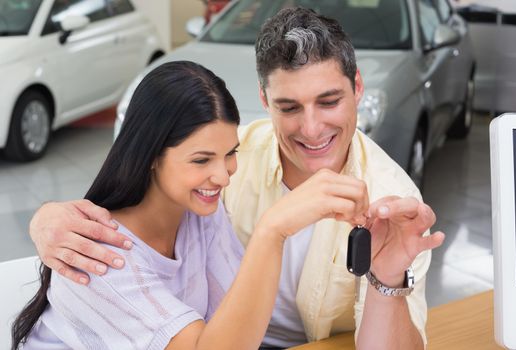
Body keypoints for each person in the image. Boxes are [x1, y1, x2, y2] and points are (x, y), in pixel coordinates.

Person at [27, 8, 445, 349]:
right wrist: (44, 216)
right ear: (264, 102)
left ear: (357, 88)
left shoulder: (391, 200)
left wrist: (385, 278)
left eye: (329, 101)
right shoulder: (223, 174)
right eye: (290, 107)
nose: (313, 128)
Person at [12, 61, 373, 349]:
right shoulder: (101, 257)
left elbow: (237, 325)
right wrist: (272, 230)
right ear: (151, 155)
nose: (222, 175)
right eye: (201, 160)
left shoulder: (199, 214)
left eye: (230, 154)